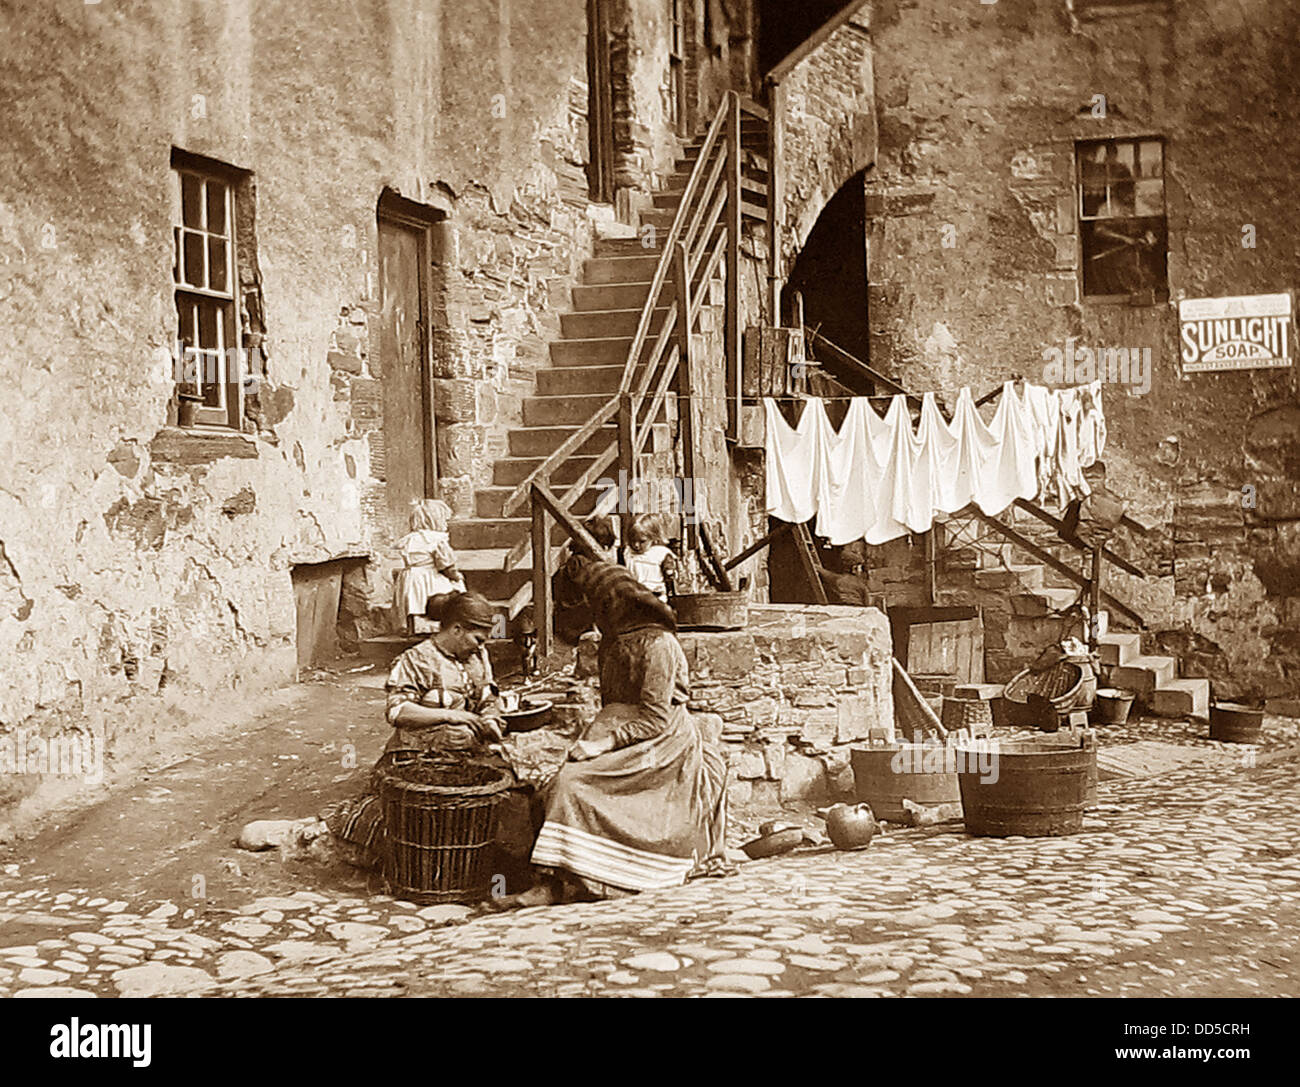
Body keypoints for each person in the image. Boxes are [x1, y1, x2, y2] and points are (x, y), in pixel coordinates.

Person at [493, 559, 729, 908]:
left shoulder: (659, 645)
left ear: (611, 605)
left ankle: (599, 875)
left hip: (662, 742)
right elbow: (613, 703)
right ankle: (558, 878)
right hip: (618, 728)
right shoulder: (612, 642)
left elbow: (655, 717)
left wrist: (602, 744)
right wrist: (596, 735)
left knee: (572, 784)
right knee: (553, 784)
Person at [325, 591, 540, 890]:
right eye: (477, 638)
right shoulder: (416, 659)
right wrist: (451, 716)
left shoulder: (478, 657)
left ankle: (495, 870)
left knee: (513, 794)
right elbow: (398, 711)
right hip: (417, 751)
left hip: (466, 748)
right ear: (456, 629)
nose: (482, 646)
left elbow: (488, 697)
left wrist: (490, 718)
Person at [393, 499, 464, 635]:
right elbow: (445, 563)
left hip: (410, 577)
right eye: (445, 520)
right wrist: (455, 576)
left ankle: (411, 628)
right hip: (430, 577)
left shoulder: (409, 539)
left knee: (413, 602)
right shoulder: (437, 540)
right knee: (450, 594)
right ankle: (444, 626)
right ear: (436, 521)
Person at [552, 514, 617, 644]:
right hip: (575, 615)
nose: (604, 550)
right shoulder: (578, 563)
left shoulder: (585, 561)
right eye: (601, 546)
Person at [625, 512, 678, 601]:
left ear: (653, 538)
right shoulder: (628, 553)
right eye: (633, 541)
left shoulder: (660, 553)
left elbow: (670, 575)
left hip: (655, 595)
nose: (636, 545)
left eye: (642, 541)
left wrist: (669, 571)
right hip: (634, 595)